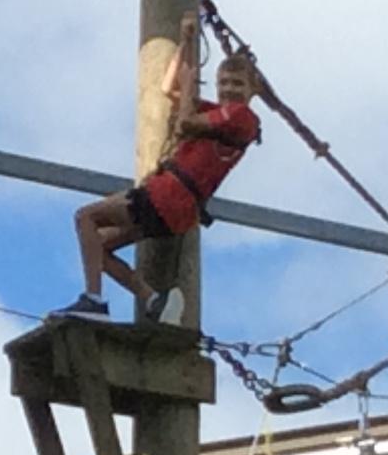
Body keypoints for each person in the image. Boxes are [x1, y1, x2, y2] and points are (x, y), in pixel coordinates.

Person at [62, 33, 262, 323]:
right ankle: (154, 300)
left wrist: (189, 86)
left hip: (169, 195)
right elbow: (169, 88)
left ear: (253, 90)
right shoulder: (217, 113)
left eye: (238, 84)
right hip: (174, 205)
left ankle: (93, 301)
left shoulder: (241, 116)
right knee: (97, 246)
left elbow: (185, 123)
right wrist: (185, 43)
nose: (229, 90)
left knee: (85, 218)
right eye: (224, 83)